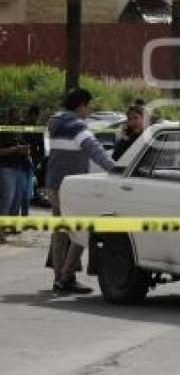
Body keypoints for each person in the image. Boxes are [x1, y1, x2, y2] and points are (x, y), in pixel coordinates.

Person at [46, 88, 115, 293]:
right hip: (70, 188)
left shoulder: (55, 122)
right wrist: (118, 170)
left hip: (53, 184)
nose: (90, 109)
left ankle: (60, 277)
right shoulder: (76, 125)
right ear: (81, 105)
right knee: (82, 231)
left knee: (60, 233)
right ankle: (66, 277)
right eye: (89, 105)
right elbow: (96, 151)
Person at [0, 108, 30, 242]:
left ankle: (11, 225)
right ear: (10, 118)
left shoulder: (22, 132)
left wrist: (26, 151)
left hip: (22, 168)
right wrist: (15, 149)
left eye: (20, 118)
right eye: (15, 118)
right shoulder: (4, 131)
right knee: (7, 198)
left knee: (18, 198)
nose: (18, 120)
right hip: (7, 168)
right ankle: (1, 230)